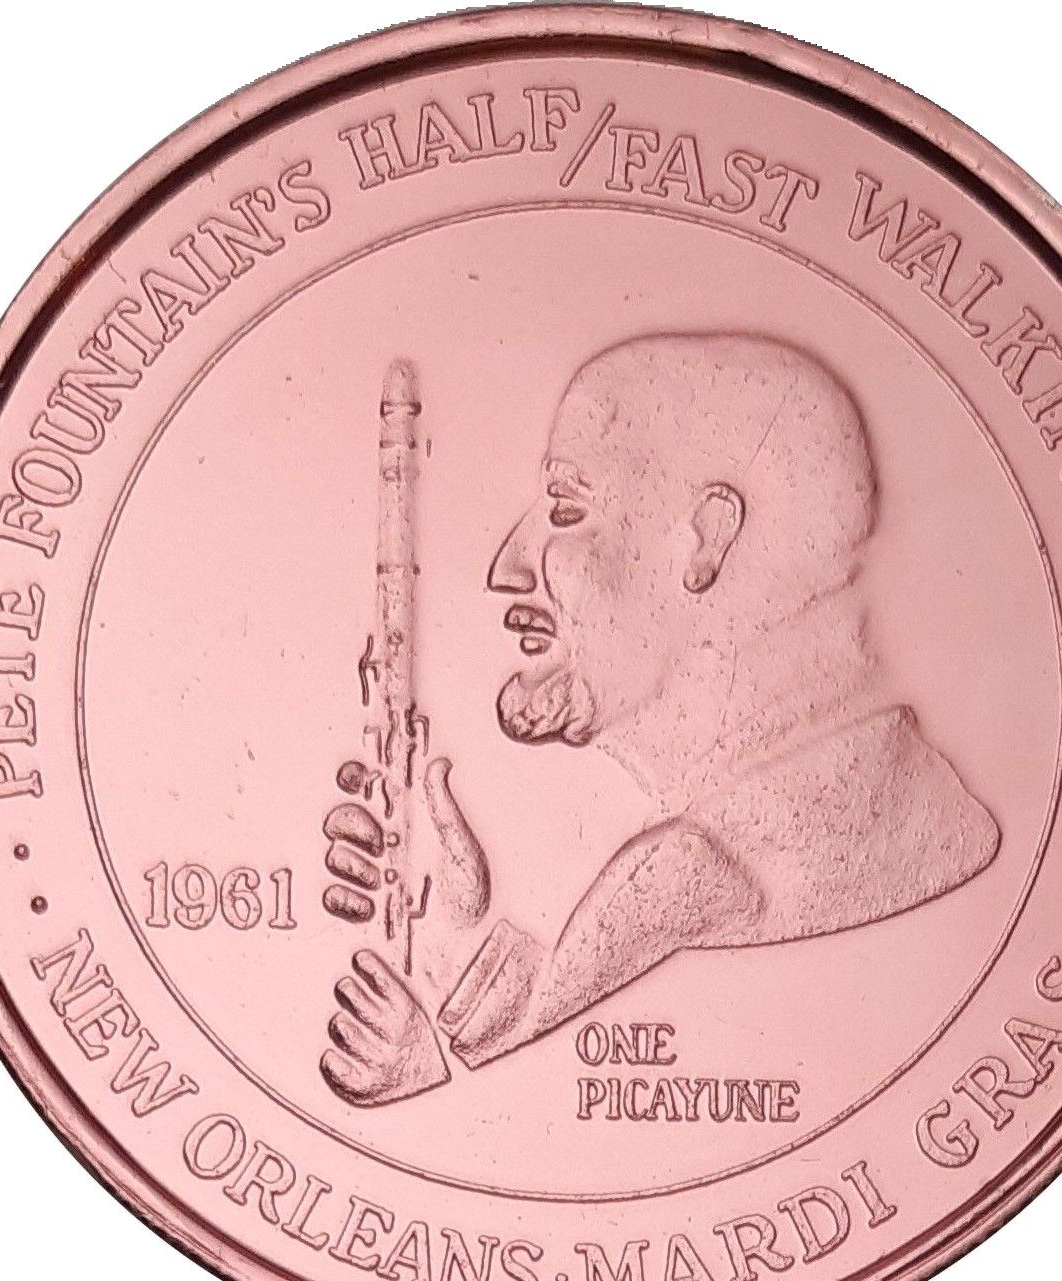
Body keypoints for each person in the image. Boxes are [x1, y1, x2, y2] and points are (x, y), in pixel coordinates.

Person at [319, 333, 1000, 1107]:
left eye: (566, 509)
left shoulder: (756, 868)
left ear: (707, 539)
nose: (507, 567)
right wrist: (448, 939)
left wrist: (432, 1081)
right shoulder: (684, 864)